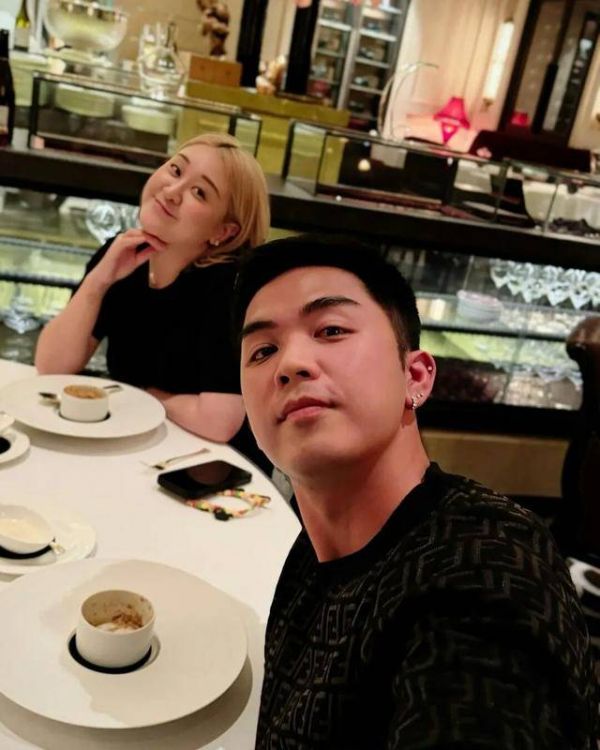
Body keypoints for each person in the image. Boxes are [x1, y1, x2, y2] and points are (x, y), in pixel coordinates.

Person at [232, 234, 598, 749]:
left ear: (417, 377)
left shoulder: (484, 565)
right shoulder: (311, 553)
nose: (290, 363)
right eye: (263, 350)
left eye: (331, 330)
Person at [35, 133, 270, 469]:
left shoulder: (228, 288)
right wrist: (98, 281)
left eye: (199, 192)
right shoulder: (122, 253)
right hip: (142, 449)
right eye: (176, 170)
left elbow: (218, 420)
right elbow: (51, 366)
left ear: (223, 232)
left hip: (212, 470)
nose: (172, 191)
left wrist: (139, 397)